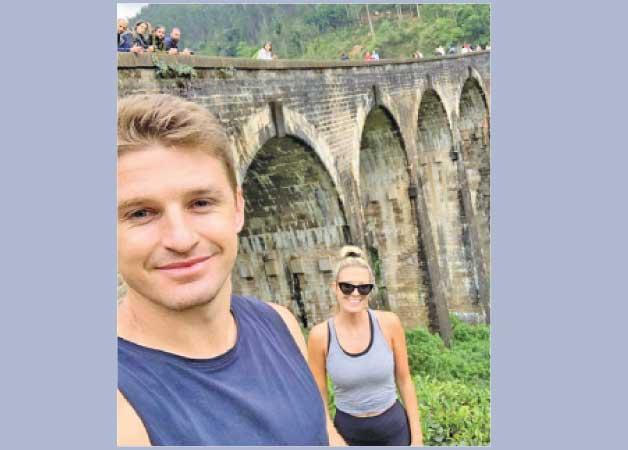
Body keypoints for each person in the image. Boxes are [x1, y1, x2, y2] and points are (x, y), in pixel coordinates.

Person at [116, 94, 334, 446]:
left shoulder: (280, 324)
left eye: (200, 203)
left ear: (237, 207)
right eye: (141, 213)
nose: (181, 238)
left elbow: (324, 434)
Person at [307, 246, 423, 446]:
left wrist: (418, 438)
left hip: (395, 430)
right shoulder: (320, 336)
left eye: (363, 288)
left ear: (370, 290)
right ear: (334, 287)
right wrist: (332, 437)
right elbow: (319, 397)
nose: (355, 293)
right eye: (347, 287)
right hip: (349, 433)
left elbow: (404, 380)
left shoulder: (389, 323)